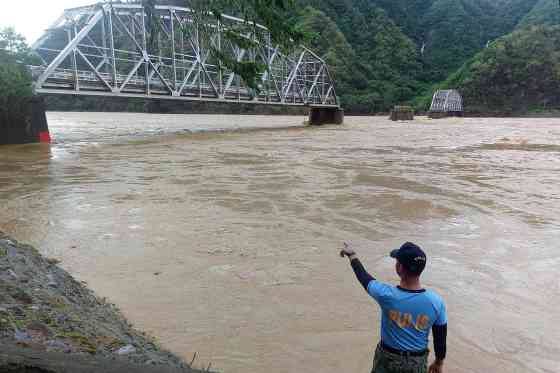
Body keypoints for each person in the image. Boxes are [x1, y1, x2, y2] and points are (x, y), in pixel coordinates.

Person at [340, 241, 447, 373]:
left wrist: (352, 255)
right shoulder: (436, 302)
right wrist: (438, 362)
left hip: (387, 360)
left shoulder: (386, 295)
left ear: (399, 268)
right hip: (416, 362)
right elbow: (440, 338)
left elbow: (364, 278)